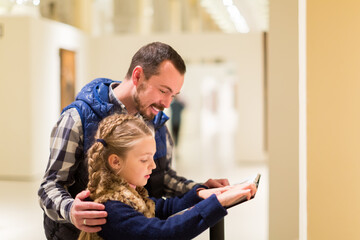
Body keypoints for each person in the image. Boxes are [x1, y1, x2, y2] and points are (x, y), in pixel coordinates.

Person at [38, 42, 230, 239]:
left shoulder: (157, 123)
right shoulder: (77, 118)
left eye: (173, 95)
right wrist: (70, 210)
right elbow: (49, 186)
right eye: (163, 91)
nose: (166, 103)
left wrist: (201, 190)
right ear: (138, 76)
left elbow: (163, 178)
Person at [78, 114, 257, 240]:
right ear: (116, 162)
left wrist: (201, 195)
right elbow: (162, 233)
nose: (153, 165)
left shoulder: (129, 193)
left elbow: (162, 207)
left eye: (152, 157)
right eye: (144, 160)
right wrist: (218, 204)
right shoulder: (111, 209)